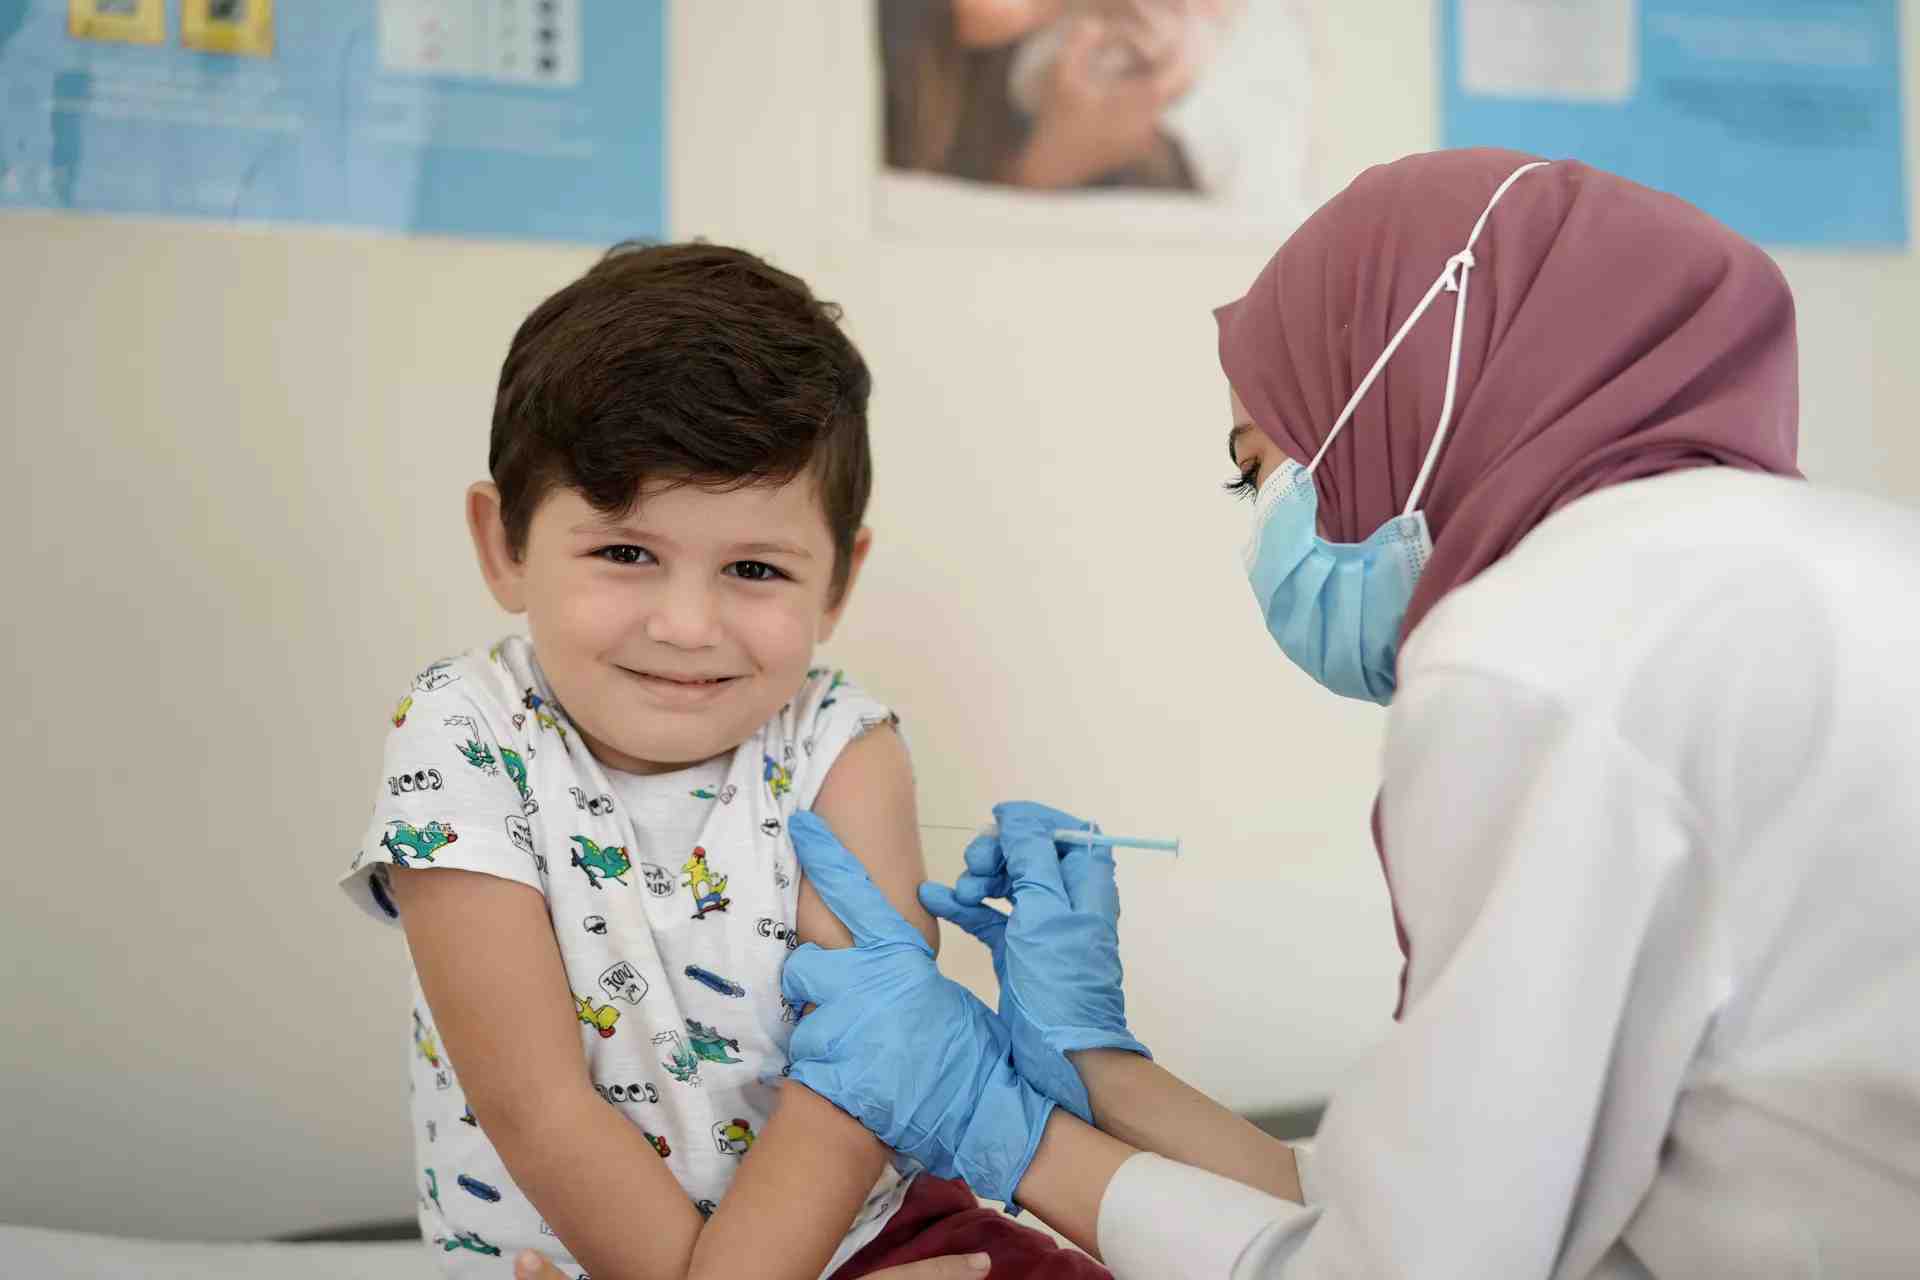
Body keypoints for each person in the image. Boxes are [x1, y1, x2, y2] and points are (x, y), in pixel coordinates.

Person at [724, 149, 1920, 1275]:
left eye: (1257, 469)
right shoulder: (1787, 569)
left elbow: (1402, 1266)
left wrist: (999, 1125)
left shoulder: (1544, 655)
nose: (1265, 532)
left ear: (1408, 386)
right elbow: (1433, 1205)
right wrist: (1094, 1062)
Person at [342, 243, 1108, 1278]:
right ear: (505, 544)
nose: (690, 623)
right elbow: (538, 1103)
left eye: (754, 568)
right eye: (625, 552)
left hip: (863, 1234)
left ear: (837, 581)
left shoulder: (844, 742)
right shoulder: (464, 733)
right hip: (571, 1261)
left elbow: (859, 1070)